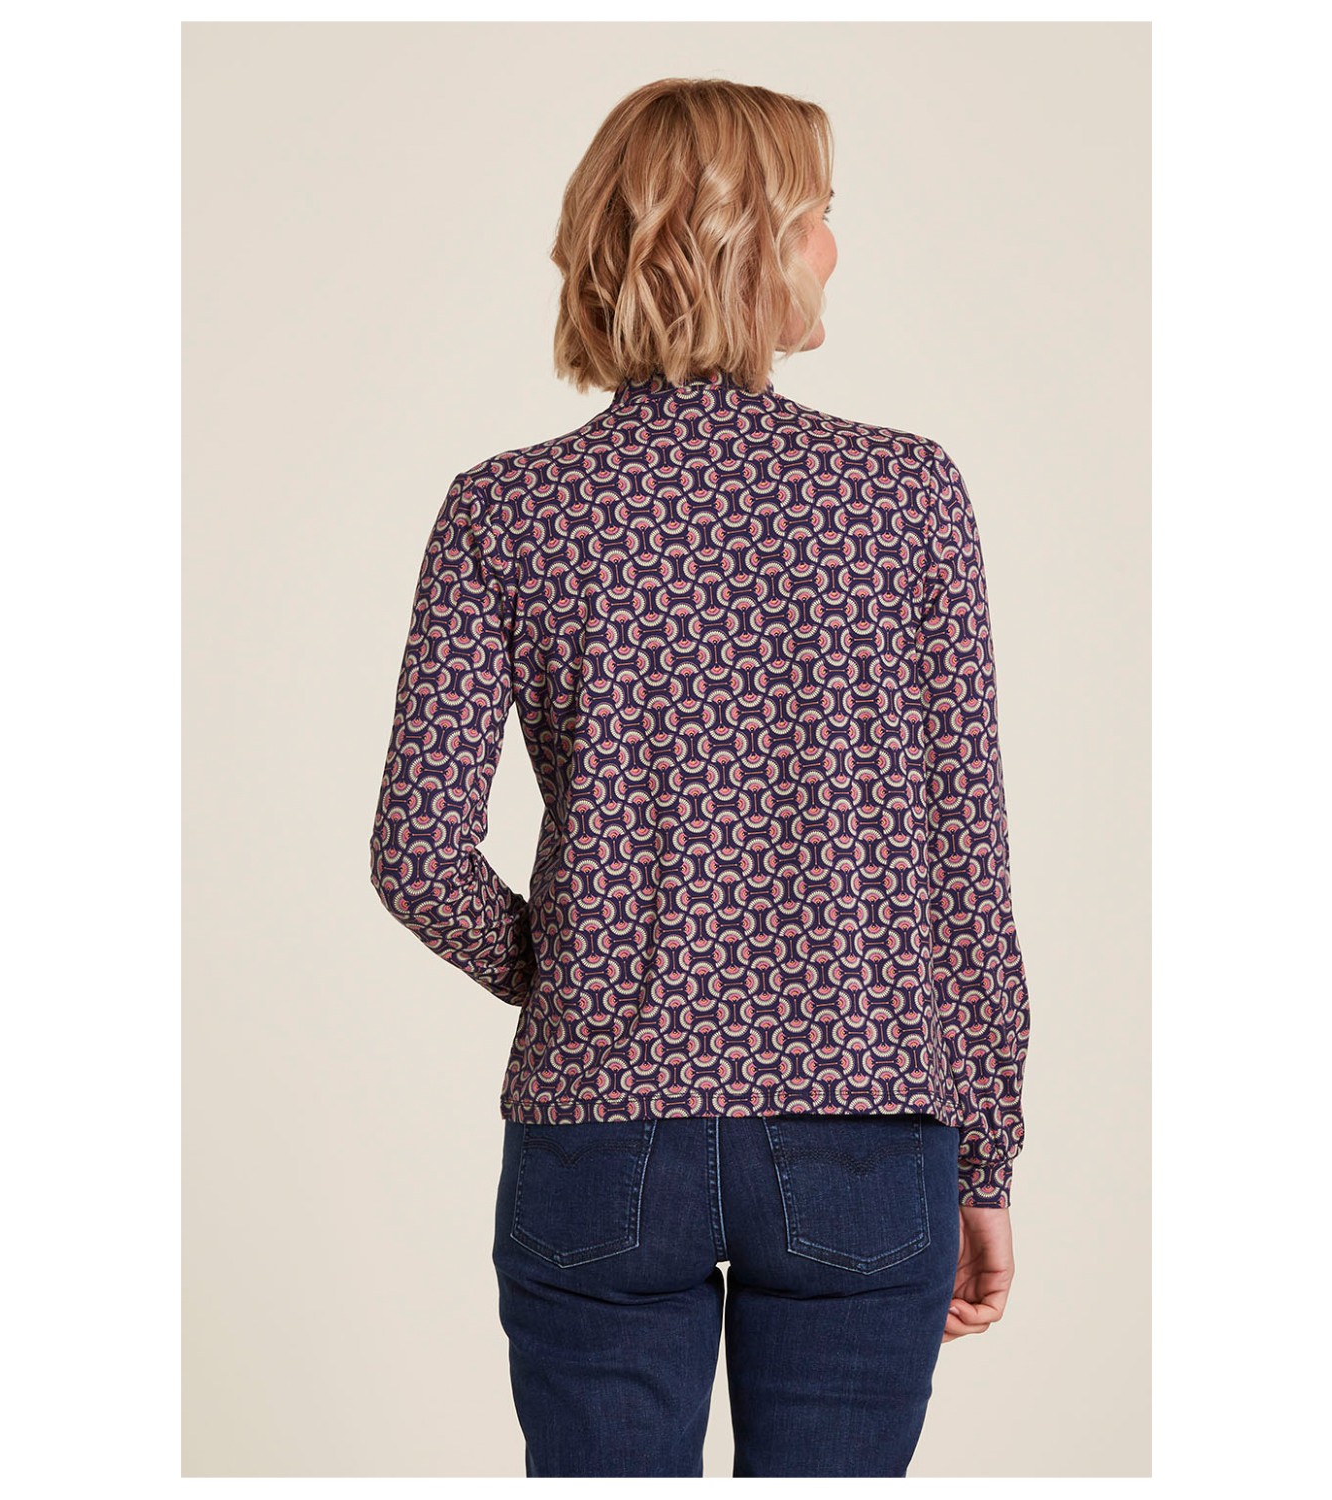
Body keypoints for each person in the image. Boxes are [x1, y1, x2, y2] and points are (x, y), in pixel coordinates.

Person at [369, 76, 1030, 1479]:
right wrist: (987, 1155)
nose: (836, 247)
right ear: (751, 242)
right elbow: (963, 863)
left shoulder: (505, 511)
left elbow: (417, 855)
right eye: (820, 215)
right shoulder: (905, 495)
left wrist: (578, 974)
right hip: (868, 1132)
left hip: (599, 1132)